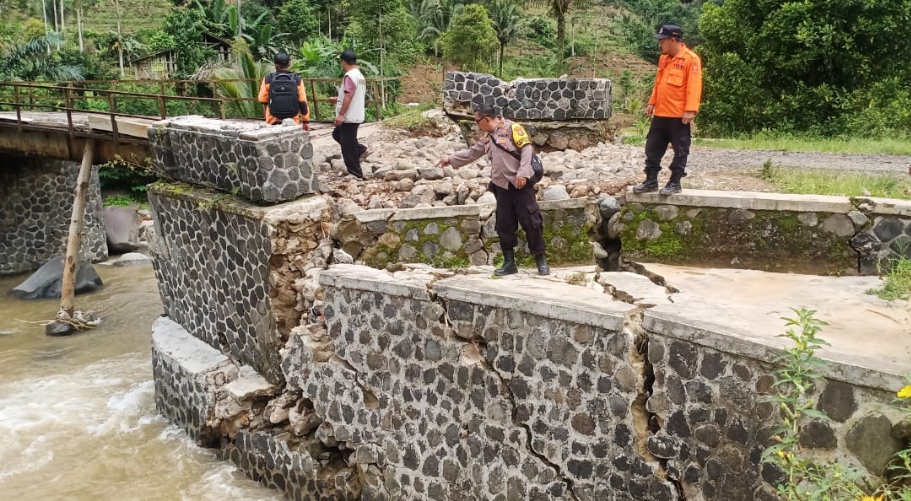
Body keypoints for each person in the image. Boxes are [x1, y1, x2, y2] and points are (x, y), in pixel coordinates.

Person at [437, 104, 549, 276]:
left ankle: (541, 260)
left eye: (477, 121)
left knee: (531, 222)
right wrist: (450, 159)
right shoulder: (488, 138)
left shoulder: (512, 128)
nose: (476, 125)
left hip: (520, 185)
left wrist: (523, 173)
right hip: (502, 187)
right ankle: (509, 263)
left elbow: (526, 148)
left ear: (487, 119)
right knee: (504, 225)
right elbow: (472, 153)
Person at [633, 24, 703, 196]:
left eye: (662, 41)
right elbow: (659, 83)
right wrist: (652, 102)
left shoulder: (690, 59)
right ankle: (651, 181)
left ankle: (675, 182)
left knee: (680, 150)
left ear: (672, 40)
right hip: (661, 113)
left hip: (678, 115)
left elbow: (694, 86)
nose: (660, 45)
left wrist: (690, 110)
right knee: (652, 148)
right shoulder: (664, 59)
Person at [328, 49, 368, 179]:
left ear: (343, 61)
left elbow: (349, 95)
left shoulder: (350, 76)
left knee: (347, 145)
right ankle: (360, 149)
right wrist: (338, 99)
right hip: (356, 113)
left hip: (349, 116)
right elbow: (352, 95)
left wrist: (341, 114)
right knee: (337, 134)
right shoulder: (359, 76)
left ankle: (355, 173)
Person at [257, 52, 310, 130]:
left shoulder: (268, 79)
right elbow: (303, 102)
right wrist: (305, 121)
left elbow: (262, 99)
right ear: (289, 64)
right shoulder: (297, 80)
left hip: (272, 120)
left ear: (275, 65)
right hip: (293, 120)